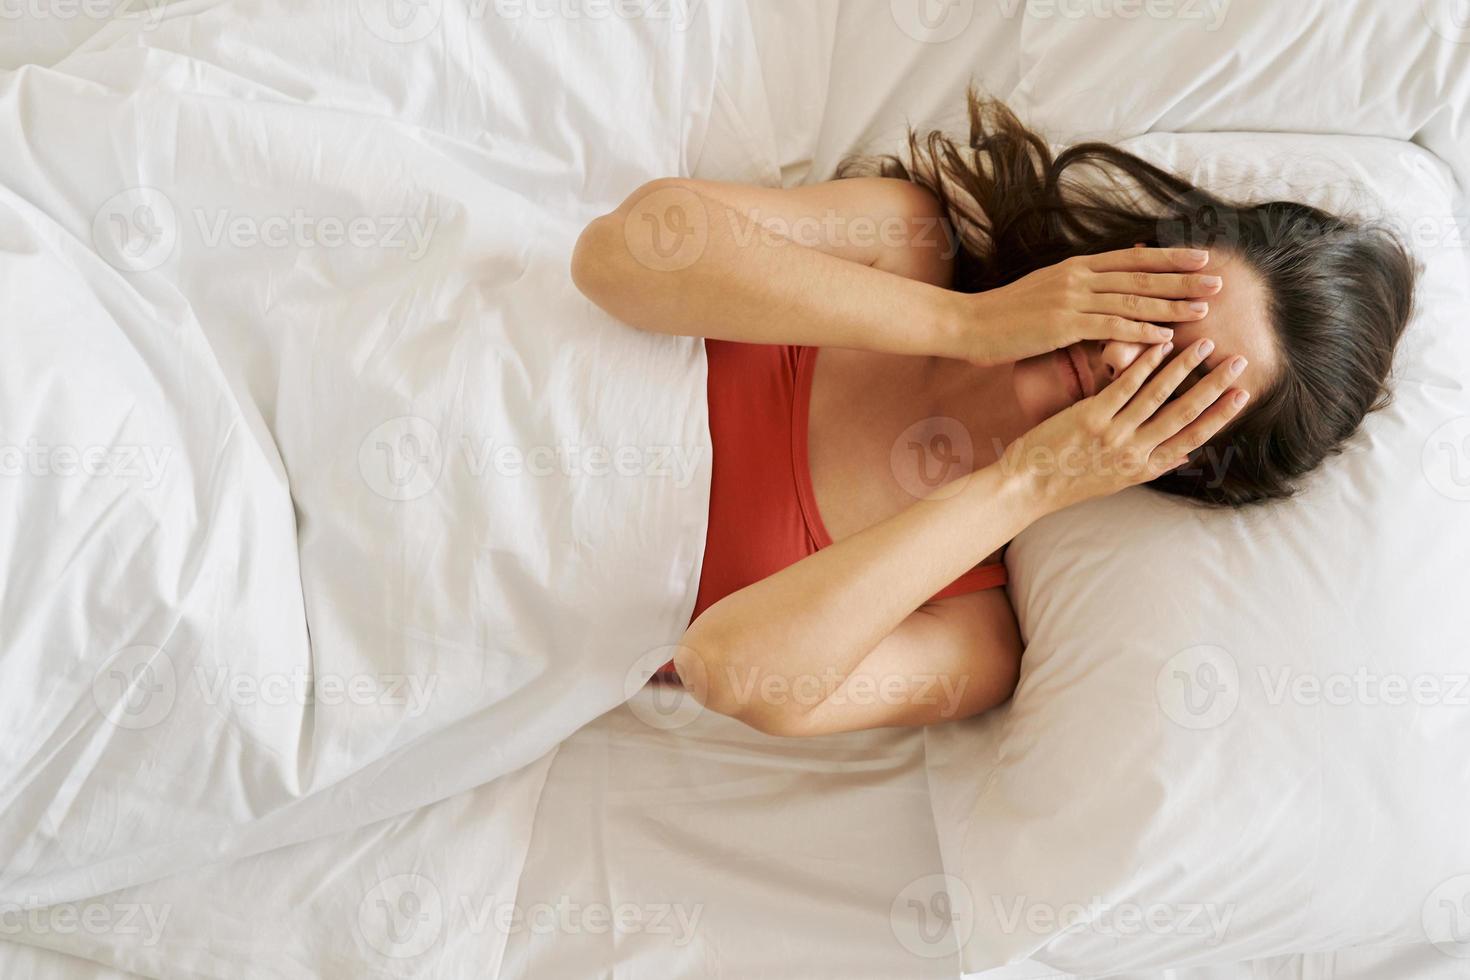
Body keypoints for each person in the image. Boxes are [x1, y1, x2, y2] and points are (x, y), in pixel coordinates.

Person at [570, 95, 1416, 737]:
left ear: (1189, 461)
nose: (1125, 355)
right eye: (1154, 310)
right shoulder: (904, 243)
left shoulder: (970, 637)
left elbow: (726, 671)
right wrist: (965, 324)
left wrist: (1026, 484)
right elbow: (617, 255)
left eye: (1173, 378)